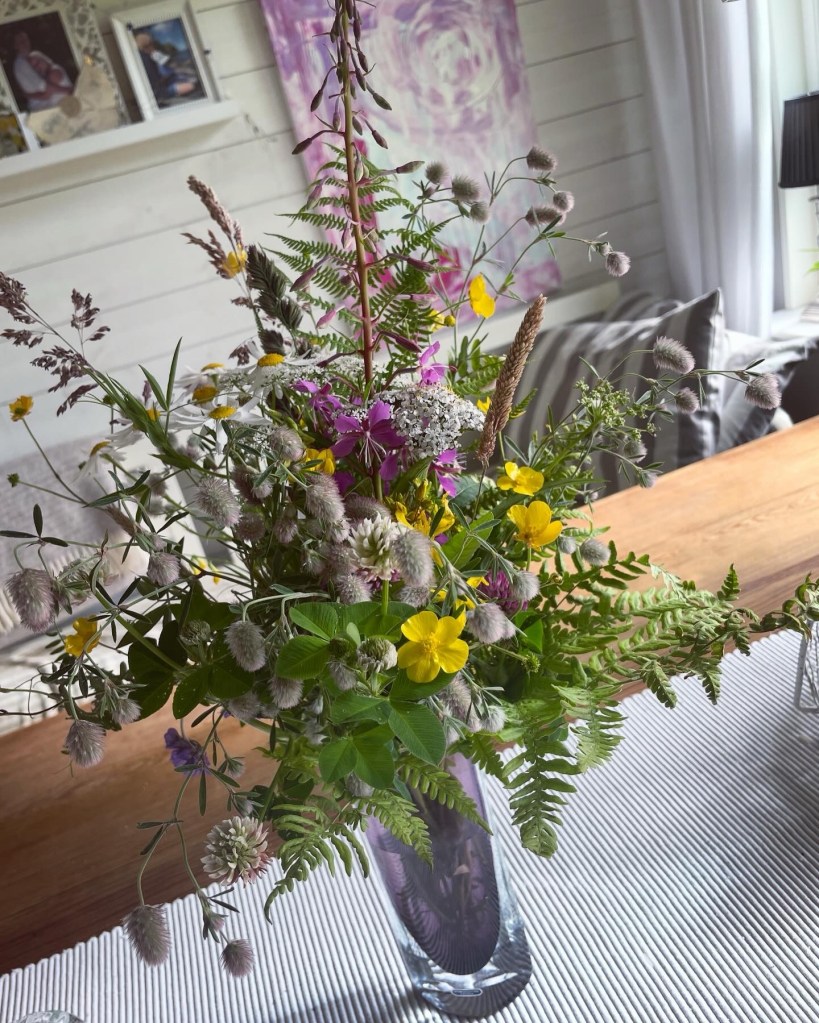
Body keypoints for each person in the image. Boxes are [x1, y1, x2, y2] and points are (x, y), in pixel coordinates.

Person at [12, 30, 72, 112]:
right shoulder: (21, 63)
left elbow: (47, 91)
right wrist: (69, 89)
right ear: (15, 46)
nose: (24, 43)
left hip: (55, 106)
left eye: (26, 40)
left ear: (43, 58)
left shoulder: (52, 72)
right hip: (42, 106)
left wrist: (26, 95)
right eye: (21, 42)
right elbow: (46, 90)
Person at [134, 31, 197, 105]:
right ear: (147, 46)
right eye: (151, 43)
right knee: (191, 85)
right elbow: (157, 82)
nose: (153, 46)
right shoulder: (146, 60)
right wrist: (166, 76)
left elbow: (170, 63)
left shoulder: (152, 55)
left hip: (164, 83)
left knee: (187, 76)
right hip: (160, 92)